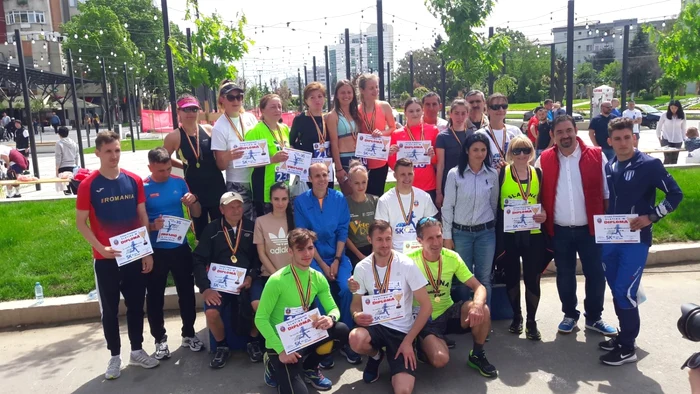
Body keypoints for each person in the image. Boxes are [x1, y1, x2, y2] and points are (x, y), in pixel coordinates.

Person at [75, 131, 159, 380]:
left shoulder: (133, 180)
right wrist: (100, 249)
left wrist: (146, 252)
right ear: (97, 153)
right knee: (110, 310)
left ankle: (136, 350)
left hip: (133, 255)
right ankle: (114, 356)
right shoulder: (88, 185)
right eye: (109, 151)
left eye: (117, 150)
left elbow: (142, 216)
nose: (114, 156)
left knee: (136, 306)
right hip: (105, 259)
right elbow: (81, 223)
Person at [599, 117, 683, 365]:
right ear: (610, 141)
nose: (623, 143)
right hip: (611, 238)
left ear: (634, 138)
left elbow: (676, 194)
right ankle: (624, 337)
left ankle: (627, 349)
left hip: (636, 240)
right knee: (616, 290)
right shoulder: (611, 165)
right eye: (618, 139)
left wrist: (652, 216)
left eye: (627, 137)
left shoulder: (650, 164)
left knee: (625, 292)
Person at [537, 115, 617, 337]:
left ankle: (594, 317)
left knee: (595, 274)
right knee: (565, 274)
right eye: (560, 132)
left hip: (591, 229)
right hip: (560, 229)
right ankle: (569, 315)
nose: (565, 136)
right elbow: (535, 194)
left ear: (575, 131)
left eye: (568, 130)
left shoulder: (596, 155)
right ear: (552, 136)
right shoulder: (543, 160)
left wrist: (608, 225)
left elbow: (607, 193)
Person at [255, 228, 350, 393]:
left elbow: (333, 308)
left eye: (310, 248)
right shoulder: (276, 280)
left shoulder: (317, 277)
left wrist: (331, 318)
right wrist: (281, 350)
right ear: (290, 251)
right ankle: (273, 364)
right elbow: (260, 319)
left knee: (341, 330)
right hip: (283, 345)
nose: (306, 253)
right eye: (300, 249)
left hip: (305, 335)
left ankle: (309, 367)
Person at [348, 220, 432, 393]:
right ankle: (376, 356)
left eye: (388, 239)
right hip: (377, 325)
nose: (385, 244)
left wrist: (408, 341)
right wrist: (356, 315)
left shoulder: (406, 264)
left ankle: (410, 348)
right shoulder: (362, 267)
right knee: (355, 338)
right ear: (369, 239)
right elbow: (355, 305)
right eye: (379, 239)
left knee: (403, 390)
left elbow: (426, 307)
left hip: (402, 331)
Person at [408, 218, 497, 377]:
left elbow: (479, 287)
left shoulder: (452, 257)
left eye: (439, 236)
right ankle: (423, 345)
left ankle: (476, 355)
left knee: (483, 309)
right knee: (440, 360)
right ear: (419, 240)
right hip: (423, 318)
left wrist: (476, 305)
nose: (436, 242)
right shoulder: (408, 260)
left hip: (448, 312)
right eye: (430, 238)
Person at [293, 162, 360, 364]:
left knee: (348, 288)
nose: (322, 179)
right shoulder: (301, 201)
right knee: (318, 289)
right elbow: (304, 237)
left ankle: (346, 339)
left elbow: (342, 231)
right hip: (312, 257)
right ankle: (325, 342)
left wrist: (338, 259)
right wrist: (322, 264)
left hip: (337, 256)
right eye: (317, 176)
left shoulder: (338, 198)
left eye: (325, 175)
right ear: (310, 179)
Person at [143, 147, 203, 360]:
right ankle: (160, 339)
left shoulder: (179, 183)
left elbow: (196, 213)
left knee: (186, 292)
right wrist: (152, 226)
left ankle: (189, 333)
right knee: (155, 296)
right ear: (150, 167)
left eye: (169, 169)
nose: (166, 174)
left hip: (179, 247)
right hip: (156, 250)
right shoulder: (144, 187)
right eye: (160, 171)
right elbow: (138, 222)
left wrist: (193, 201)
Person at [192, 191, 261, 368]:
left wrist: (251, 276)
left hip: (246, 281)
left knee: (258, 306)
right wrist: (205, 288)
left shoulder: (252, 227)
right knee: (211, 313)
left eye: (239, 205)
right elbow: (198, 259)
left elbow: (258, 258)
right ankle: (222, 346)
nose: (236, 210)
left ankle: (253, 341)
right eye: (231, 207)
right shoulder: (212, 229)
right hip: (220, 284)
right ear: (222, 210)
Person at [495, 136, 548, 340]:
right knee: (512, 277)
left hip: (533, 234)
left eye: (526, 150)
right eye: (517, 151)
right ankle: (516, 317)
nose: (522, 155)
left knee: (533, 279)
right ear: (510, 153)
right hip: (509, 234)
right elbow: (495, 203)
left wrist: (543, 213)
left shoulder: (538, 173)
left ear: (531, 151)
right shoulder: (502, 173)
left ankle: (532, 321)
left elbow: (542, 201)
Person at [442, 133, 498, 306]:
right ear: (467, 150)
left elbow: (493, 204)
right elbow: (447, 206)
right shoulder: (455, 174)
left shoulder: (492, 174)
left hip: (485, 234)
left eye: (483, 150)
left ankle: (483, 322)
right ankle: (464, 320)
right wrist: (447, 236)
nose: (479, 154)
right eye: (475, 150)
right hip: (461, 234)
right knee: (462, 279)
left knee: (484, 279)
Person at [164, 94, 227, 239]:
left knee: (222, 228)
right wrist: (184, 165)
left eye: (194, 109)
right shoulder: (174, 137)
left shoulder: (209, 130)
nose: (190, 114)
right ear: (178, 112)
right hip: (195, 189)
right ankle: (203, 260)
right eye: (186, 110)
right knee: (201, 231)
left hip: (216, 185)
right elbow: (163, 160)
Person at [252, 182, 295, 349]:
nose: (280, 203)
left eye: (284, 199)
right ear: (270, 200)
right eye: (276, 199)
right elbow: (261, 254)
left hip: (293, 276)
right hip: (270, 276)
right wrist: (278, 276)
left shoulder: (295, 220)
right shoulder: (261, 221)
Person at [211, 80, 259, 221]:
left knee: (260, 219)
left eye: (239, 97)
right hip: (237, 182)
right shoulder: (219, 127)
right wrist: (228, 156)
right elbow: (220, 165)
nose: (236, 101)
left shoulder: (250, 118)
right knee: (244, 222)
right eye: (231, 97)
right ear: (222, 99)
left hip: (256, 177)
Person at [375, 158, 438, 252]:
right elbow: (381, 232)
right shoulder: (384, 200)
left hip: (421, 251)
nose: (407, 178)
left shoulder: (424, 197)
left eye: (410, 174)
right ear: (395, 175)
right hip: (396, 252)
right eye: (402, 175)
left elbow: (431, 227)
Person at [245, 94, 290, 217]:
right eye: (273, 107)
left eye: (279, 107)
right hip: (264, 189)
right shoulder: (255, 131)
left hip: (282, 186)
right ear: (262, 110)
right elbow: (248, 162)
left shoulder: (284, 129)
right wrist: (272, 159)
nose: (277, 110)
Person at [387, 98, 438, 199]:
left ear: (422, 111)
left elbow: (437, 162)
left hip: (428, 184)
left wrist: (433, 156)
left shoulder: (433, 130)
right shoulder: (397, 134)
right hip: (406, 185)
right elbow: (393, 166)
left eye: (418, 110)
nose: (415, 114)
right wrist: (391, 154)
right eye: (411, 111)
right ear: (405, 113)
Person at [357, 74, 396, 197]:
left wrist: (382, 133)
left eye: (377, 87)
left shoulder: (384, 106)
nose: (376, 91)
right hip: (363, 160)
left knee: (378, 195)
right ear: (362, 90)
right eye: (371, 88)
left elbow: (393, 127)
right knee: (363, 194)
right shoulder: (357, 110)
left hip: (380, 159)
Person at [290, 82, 334, 189]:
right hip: (308, 168)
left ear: (325, 98)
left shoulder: (328, 118)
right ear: (306, 101)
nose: (317, 100)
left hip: (326, 167)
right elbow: (291, 142)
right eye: (312, 97)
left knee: (327, 197)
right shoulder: (300, 119)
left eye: (320, 96)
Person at [327, 79, 363, 194]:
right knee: (349, 197)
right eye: (342, 92)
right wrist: (339, 168)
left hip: (359, 158)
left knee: (360, 195)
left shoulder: (355, 113)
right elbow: (334, 143)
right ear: (336, 95)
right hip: (344, 160)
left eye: (349, 92)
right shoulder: (333, 115)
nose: (346, 95)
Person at [435, 99, 472, 209]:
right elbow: (440, 165)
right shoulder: (442, 136)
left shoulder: (471, 135)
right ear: (450, 114)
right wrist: (438, 192)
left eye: (463, 113)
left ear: (467, 114)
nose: (460, 117)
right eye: (456, 113)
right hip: (448, 183)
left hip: (467, 182)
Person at [345, 160, 378, 267]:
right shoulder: (344, 203)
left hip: (374, 247)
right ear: (349, 182)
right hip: (354, 250)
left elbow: (379, 229)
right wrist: (360, 256)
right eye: (356, 183)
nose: (361, 186)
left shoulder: (375, 201)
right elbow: (343, 234)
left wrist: (373, 253)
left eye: (364, 182)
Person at [476, 93, 522, 168]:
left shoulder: (515, 131)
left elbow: (527, 156)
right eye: (496, 107)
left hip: (512, 176)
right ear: (487, 110)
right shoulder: (479, 135)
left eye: (504, 106)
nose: (501, 110)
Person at [656, 100, 686, 165]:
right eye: (672, 108)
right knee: (667, 158)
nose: (673, 110)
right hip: (666, 139)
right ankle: (664, 172)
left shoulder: (682, 115)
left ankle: (673, 172)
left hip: (678, 140)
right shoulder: (664, 115)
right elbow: (659, 127)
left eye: (675, 108)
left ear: (678, 108)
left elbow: (683, 128)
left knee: (674, 159)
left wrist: (684, 139)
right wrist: (659, 137)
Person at [55, 126, 79, 194]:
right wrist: (76, 166)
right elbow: (77, 156)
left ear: (59, 134)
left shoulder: (59, 144)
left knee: (66, 191)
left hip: (63, 168)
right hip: (73, 167)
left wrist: (57, 169)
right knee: (75, 190)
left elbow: (58, 157)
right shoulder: (74, 143)